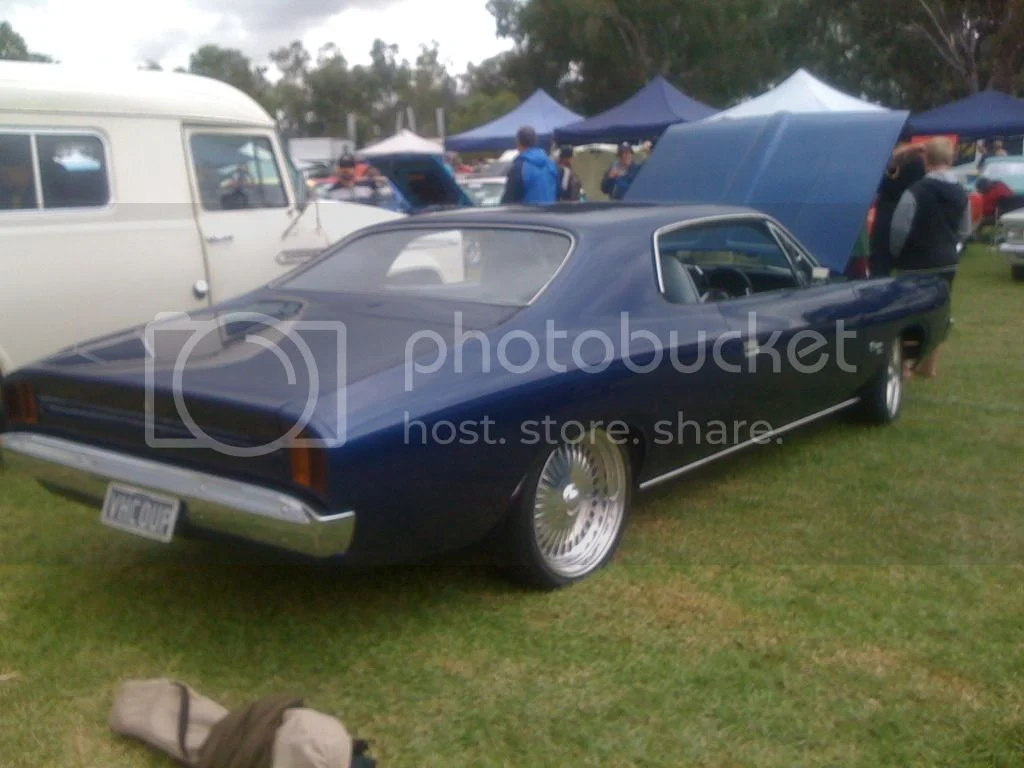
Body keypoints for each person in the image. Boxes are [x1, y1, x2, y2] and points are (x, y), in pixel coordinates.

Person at [890, 137, 971, 379]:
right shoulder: (961, 193)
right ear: (950, 159)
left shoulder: (915, 191)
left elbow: (899, 229)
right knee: (940, 313)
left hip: (915, 262)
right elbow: (965, 230)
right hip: (947, 260)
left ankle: (906, 365)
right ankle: (929, 366)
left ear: (927, 160)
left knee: (909, 313)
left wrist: (896, 254)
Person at [869, 139, 926, 277]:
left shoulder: (884, 160)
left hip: (886, 212)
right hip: (911, 210)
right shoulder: (918, 161)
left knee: (880, 267)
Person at [500, 126, 559, 205]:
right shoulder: (552, 165)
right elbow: (558, 192)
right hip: (551, 214)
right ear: (535, 142)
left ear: (517, 142)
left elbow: (509, 199)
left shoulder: (519, 167)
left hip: (528, 215)